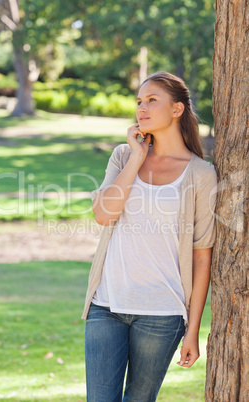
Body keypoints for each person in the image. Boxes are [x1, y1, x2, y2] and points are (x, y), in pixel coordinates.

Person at [82, 71, 217, 401]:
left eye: (152, 100)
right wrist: (138, 157)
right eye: (139, 101)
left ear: (177, 109)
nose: (141, 108)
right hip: (106, 305)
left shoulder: (200, 173)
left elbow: (202, 256)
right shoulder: (123, 156)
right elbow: (103, 214)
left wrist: (193, 329)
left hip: (162, 311)